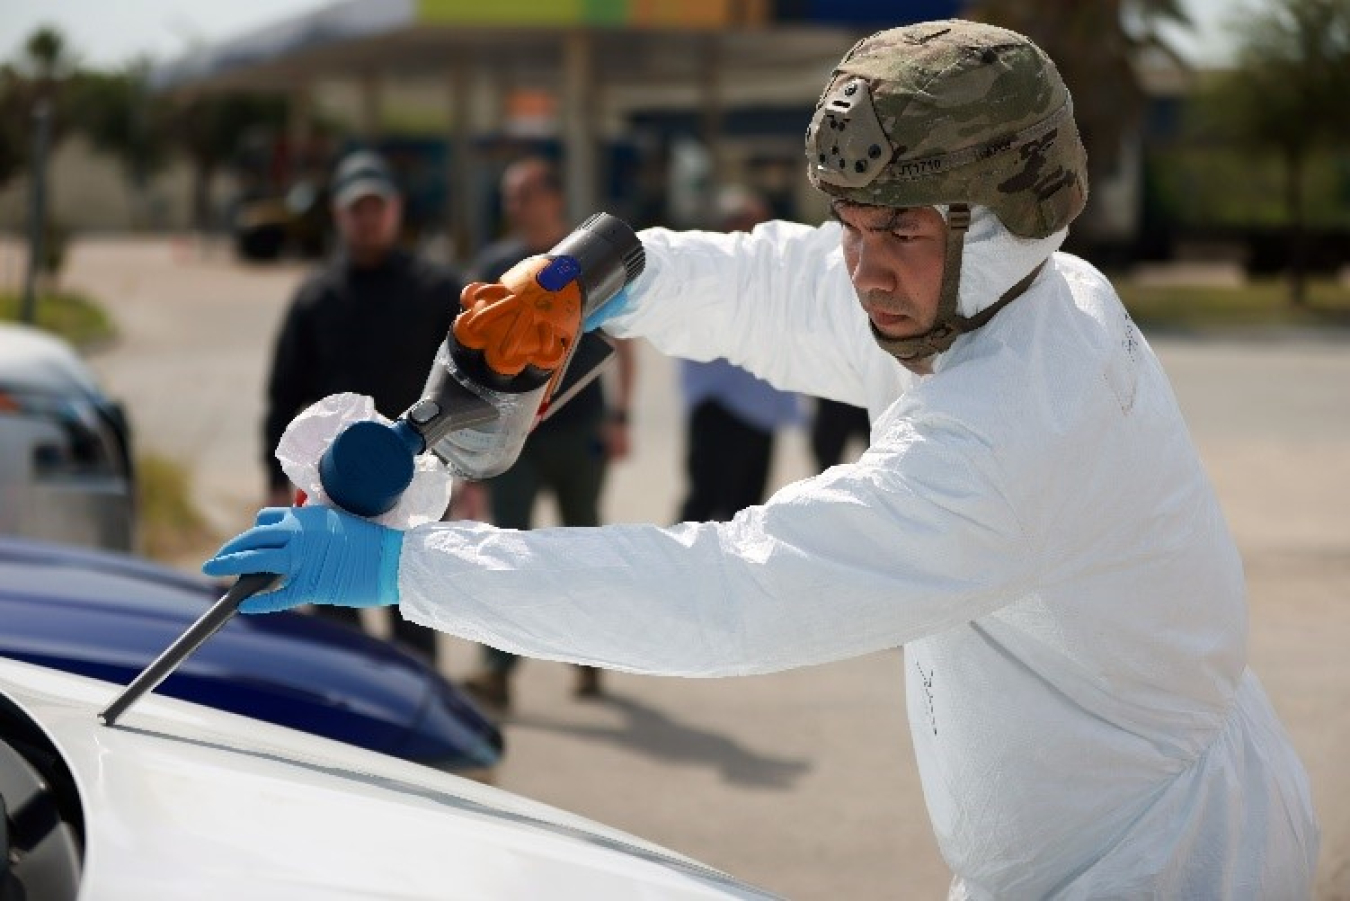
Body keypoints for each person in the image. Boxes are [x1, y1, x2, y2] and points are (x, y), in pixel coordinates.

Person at [210, 21, 1318, 897]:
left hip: (1160, 870)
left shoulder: (1012, 433)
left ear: (994, 225)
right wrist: (609, 278)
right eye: (851, 222)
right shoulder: (1010, 297)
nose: (863, 267)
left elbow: (733, 593)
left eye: (899, 232)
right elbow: (783, 284)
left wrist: (414, 571)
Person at [260, 149, 464, 663]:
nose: (369, 219)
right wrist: (272, 474)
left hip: (414, 481)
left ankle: (415, 719)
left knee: (415, 612)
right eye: (358, 208)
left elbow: (466, 387)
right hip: (330, 487)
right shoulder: (316, 298)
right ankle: (341, 719)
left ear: (396, 209)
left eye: (378, 206)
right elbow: (284, 392)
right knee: (333, 624)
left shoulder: (436, 290)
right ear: (338, 213)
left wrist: (469, 473)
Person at [460, 156, 637, 709]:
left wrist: (621, 416)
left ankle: (589, 659)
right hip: (513, 440)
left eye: (524, 194)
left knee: (579, 549)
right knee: (506, 552)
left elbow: (623, 341)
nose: (514, 204)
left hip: (579, 432)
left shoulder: (583, 263)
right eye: (509, 195)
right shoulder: (493, 263)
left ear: (553, 199)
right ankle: (497, 672)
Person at [678, 187, 800, 521]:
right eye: (746, 223)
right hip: (720, 404)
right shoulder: (708, 271)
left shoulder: (774, 271)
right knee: (703, 506)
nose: (755, 232)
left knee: (747, 511)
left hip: (763, 409)